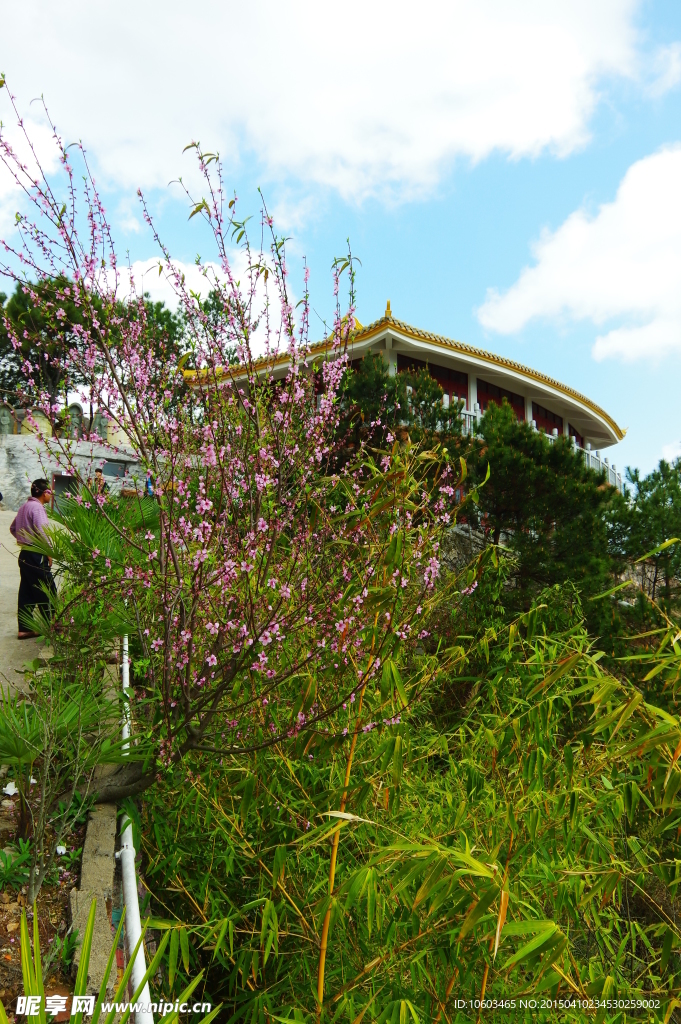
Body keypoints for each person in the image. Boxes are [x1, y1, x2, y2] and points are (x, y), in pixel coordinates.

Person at [10, 478, 57, 639]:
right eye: (50, 492)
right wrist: (48, 552)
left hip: (24, 554)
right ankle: (54, 625)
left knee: (27, 591)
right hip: (37, 555)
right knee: (48, 588)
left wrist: (24, 539)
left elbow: (13, 528)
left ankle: (25, 628)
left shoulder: (24, 507)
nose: (51, 495)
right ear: (44, 493)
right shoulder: (37, 508)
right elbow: (43, 532)